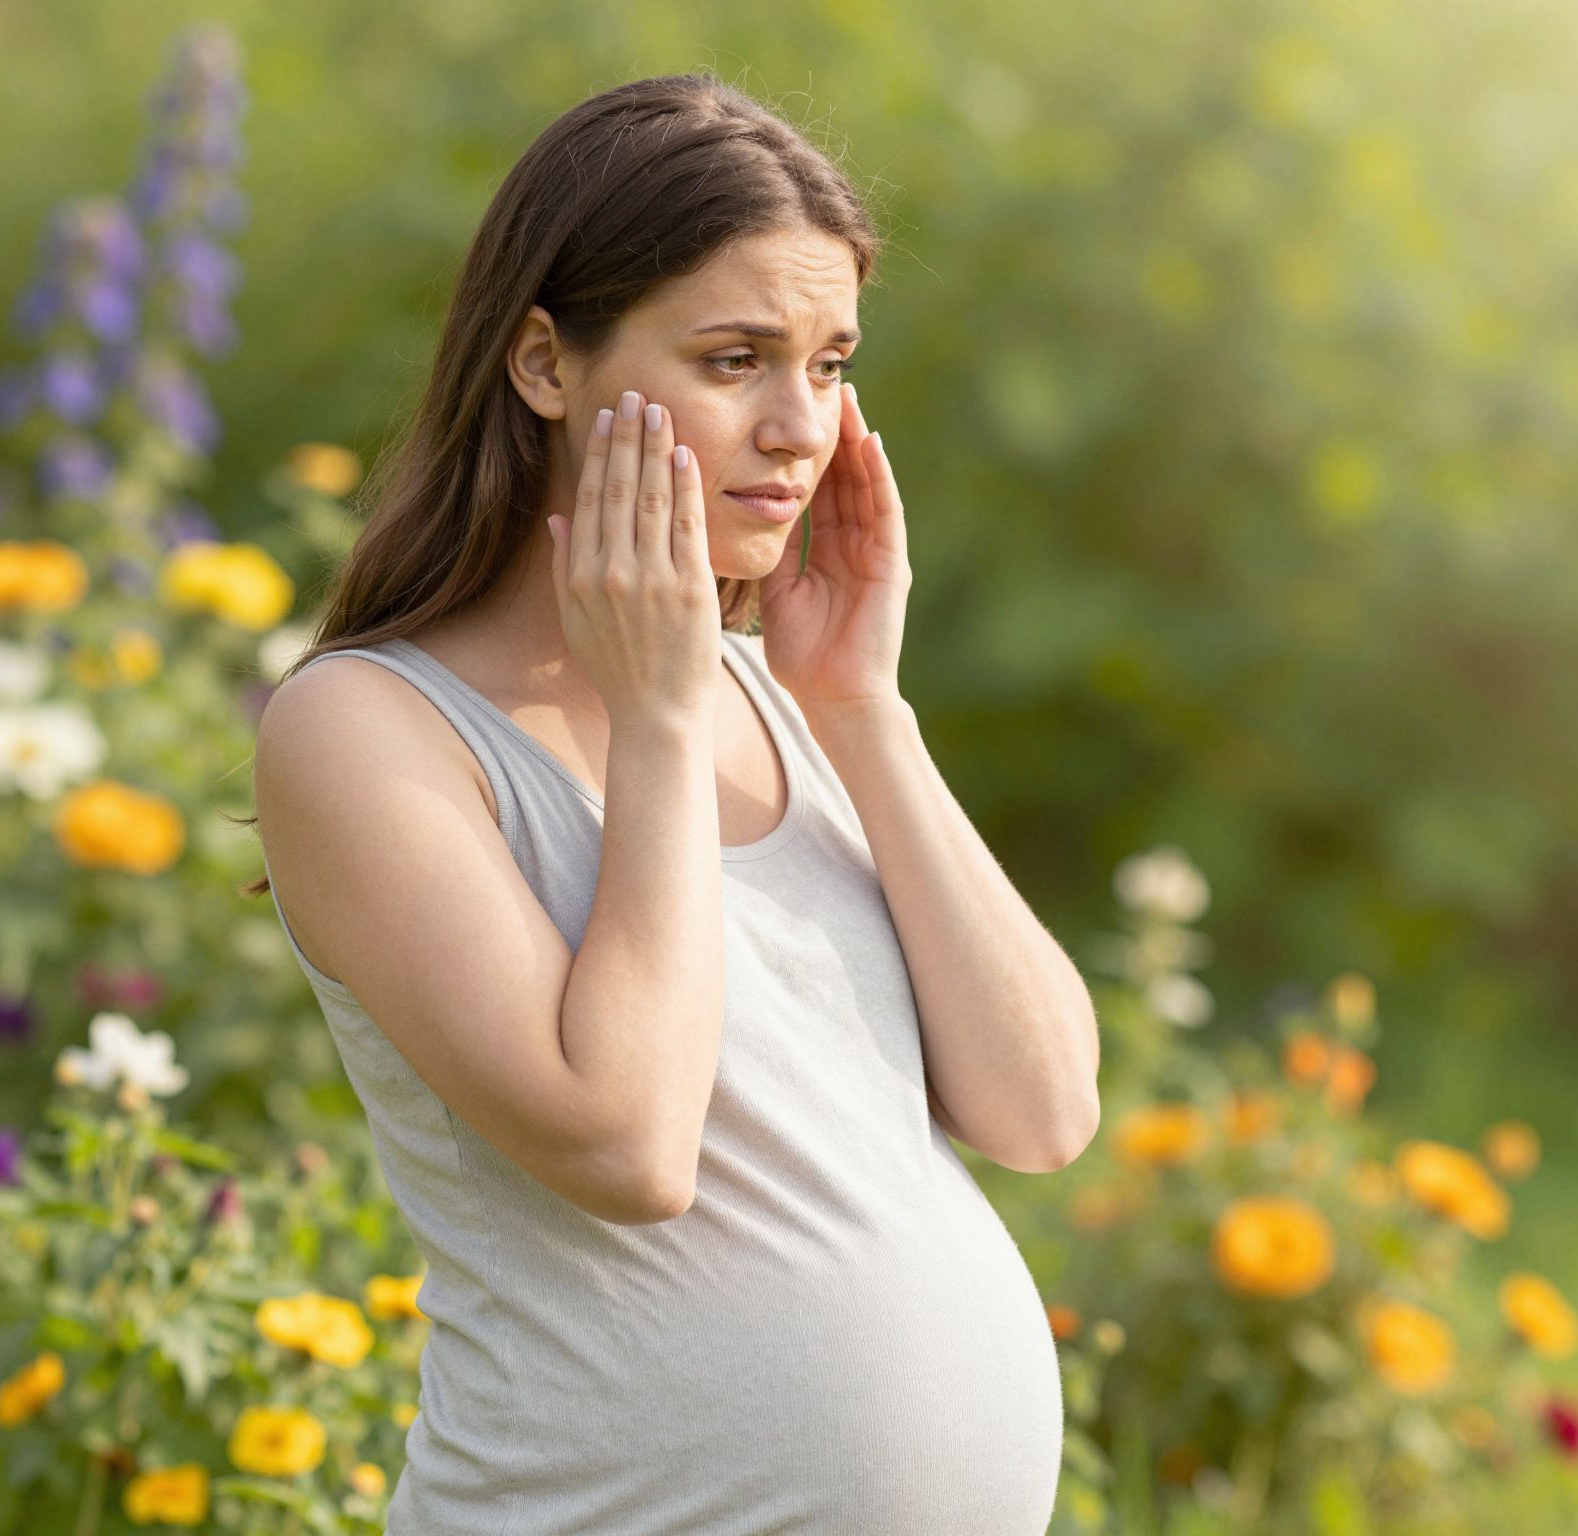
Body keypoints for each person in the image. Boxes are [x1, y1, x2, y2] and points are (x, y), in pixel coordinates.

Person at [243, 73, 1101, 1534]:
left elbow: (1043, 1110)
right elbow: (630, 1142)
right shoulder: (365, 733)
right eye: (733, 359)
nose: (798, 427)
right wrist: (652, 719)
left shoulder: (790, 702)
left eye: (830, 366)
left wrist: (863, 714)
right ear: (542, 365)